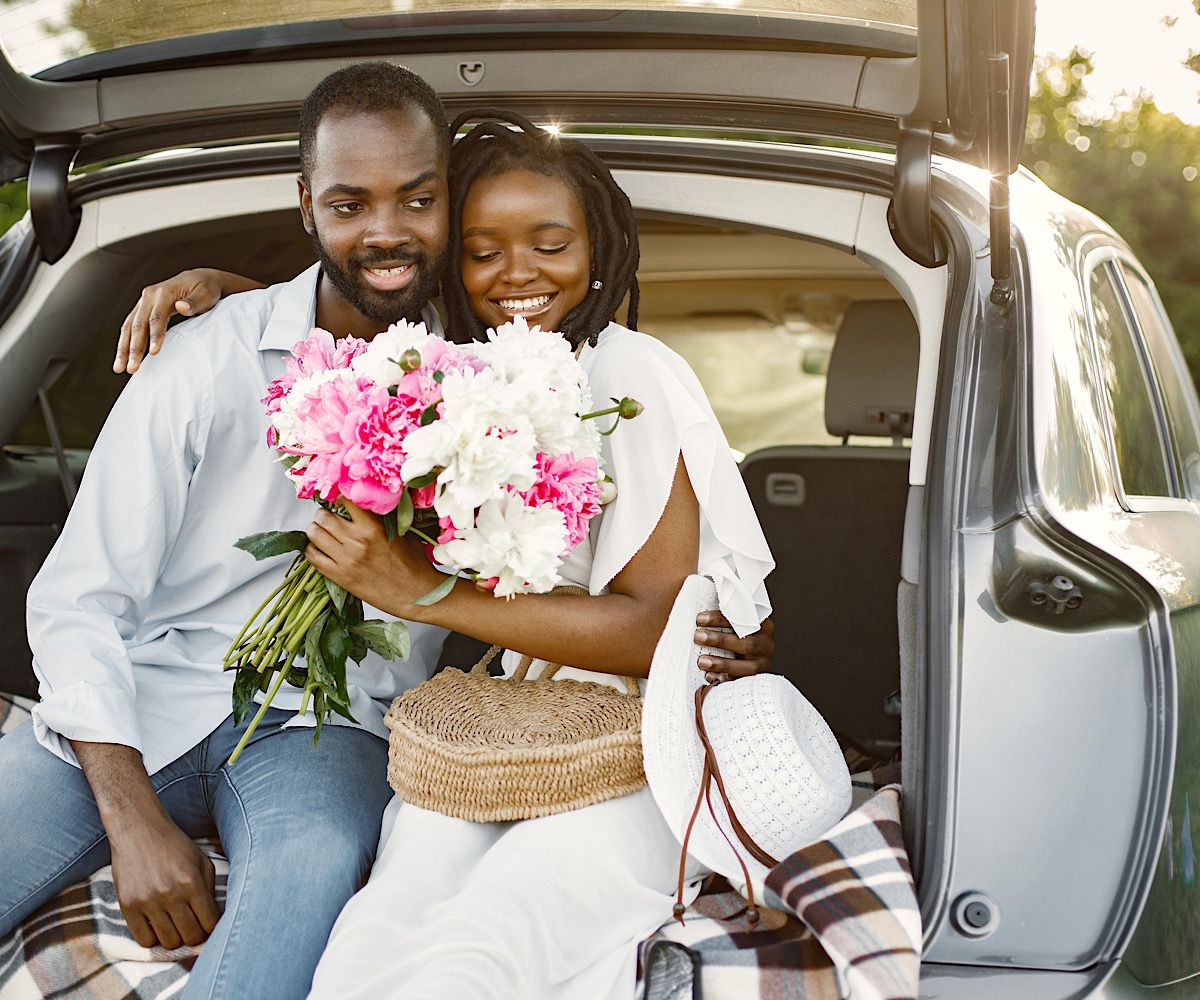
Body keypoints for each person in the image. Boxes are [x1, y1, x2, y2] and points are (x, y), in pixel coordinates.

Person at [0, 63, 771, 999]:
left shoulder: (487, 366)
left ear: (446, 208)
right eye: (349, 203)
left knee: (311, 885)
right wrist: (133, 825)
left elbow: (378, 291)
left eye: (416, 200)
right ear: (306, 205)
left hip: (330, 731)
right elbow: (78, 598)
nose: (387, 231)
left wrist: (417, 587)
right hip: (142, 699)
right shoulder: (205, 356)